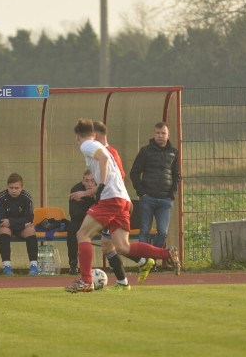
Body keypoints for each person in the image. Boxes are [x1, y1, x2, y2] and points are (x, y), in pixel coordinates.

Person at [66, 118, 180, 293]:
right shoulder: (108, 150)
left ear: (77, 136)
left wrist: (101, 186)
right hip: (122, 199)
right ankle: (166, 253)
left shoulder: (87, 144)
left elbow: (103, 159)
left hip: (110, 198)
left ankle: (86, 280)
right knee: (122, 247)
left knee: (82, 234)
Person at [93, 120, 156, 284]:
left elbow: (117, 178)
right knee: (109, 245)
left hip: (114, 204)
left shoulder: (107, 153)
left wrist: (92, 190)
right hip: (112, 202)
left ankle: (151, 259)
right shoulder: (105, 152)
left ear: (97, 135)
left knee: (116, 245)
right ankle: (137, 268)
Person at [130, 121, 181, 255]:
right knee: (144, 231)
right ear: (154, 134)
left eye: (163, 133)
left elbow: (177, 175)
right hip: (147, 198)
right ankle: (143, 262)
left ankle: (152, 258)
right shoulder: (145, 151)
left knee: (163, 232)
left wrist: (172, 193)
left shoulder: (174, 152)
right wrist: (142, 193)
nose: (160, 136)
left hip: (165, 200)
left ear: (168, 135)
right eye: (158, 133)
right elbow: (134, 173)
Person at [0, 172, 39, 276]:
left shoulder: (27, 197)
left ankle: (33, 266)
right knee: (3, 229)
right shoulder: (1, 197)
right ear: (7, 187)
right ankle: (6, 266)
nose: (13, 190)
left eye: (16, 188)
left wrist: (11, 222)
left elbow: (29, 218)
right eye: (11, 188)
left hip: (21, 227)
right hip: (8, 227)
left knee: (30, 230)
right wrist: (21, 223)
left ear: (21, 187)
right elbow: (1, 219)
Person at [67, 169, 97, 275]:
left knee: (111, 226)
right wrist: (89, 201)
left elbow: (104, 209)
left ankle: (112, 264)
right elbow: (74, 214)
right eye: (87, 181)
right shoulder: (76, 190)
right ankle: (73, 263)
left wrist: (91, 198)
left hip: (99, 220)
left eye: (92, 181)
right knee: (72, 227)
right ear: (83, 181)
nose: (89, 184)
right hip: (81, 220)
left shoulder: (102, 189)